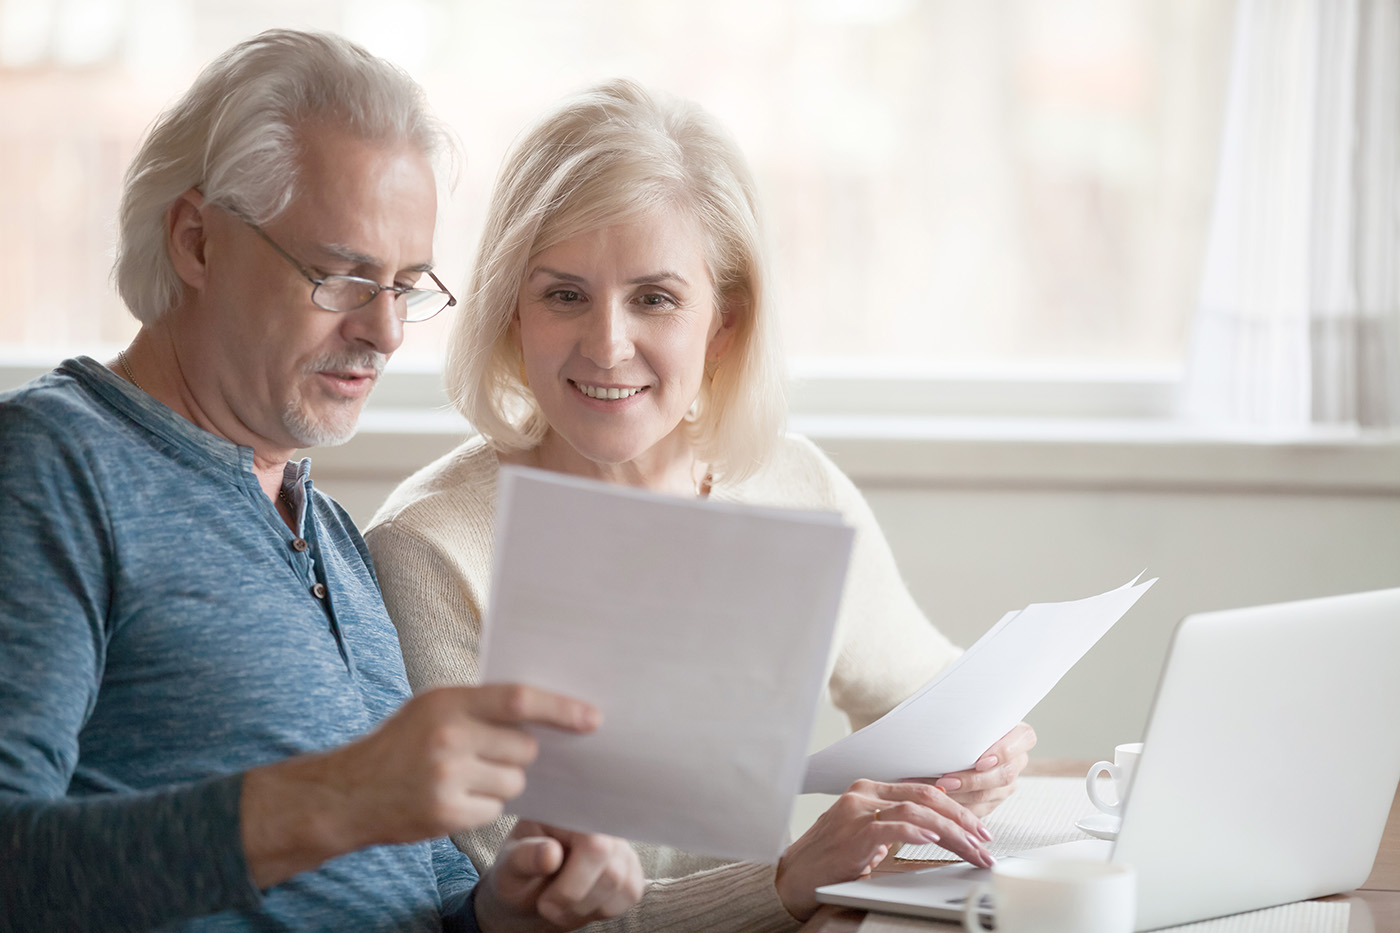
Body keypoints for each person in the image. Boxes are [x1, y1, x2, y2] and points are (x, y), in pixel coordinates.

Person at [0, 31, 644, 932]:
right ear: (196, 239)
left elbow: (412, 901)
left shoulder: (331, 531)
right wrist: (335, 796)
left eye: (407, 284)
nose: (385, 332)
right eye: (343, 276)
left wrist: (506, 907)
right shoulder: (53, 466)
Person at [365, 78, 1036, 930]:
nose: (608, 344)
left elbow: (928, 694)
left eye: (655, 298)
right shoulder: (430, 548)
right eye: (564, 294)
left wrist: (983, 748)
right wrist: (789, 882)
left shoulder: (794, 487)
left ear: (724, 322)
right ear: (509, 313)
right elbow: (526, 913)